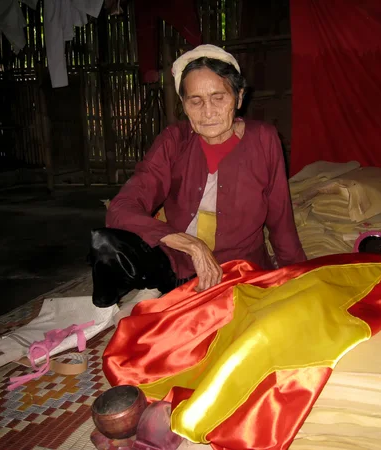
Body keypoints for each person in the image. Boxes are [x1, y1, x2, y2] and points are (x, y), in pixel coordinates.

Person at [89, 44, 306, 307]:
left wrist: (298, 278)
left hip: (238, 271)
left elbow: (281, 220)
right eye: (196, 101)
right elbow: (122, 208)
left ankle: (161, 297)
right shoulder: (174, 140)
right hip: (178, 262)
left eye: (219, 97)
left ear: (238, 98)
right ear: (184, 104)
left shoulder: (264, 139)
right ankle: (106, 315)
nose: (208, 111)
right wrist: (193, 246)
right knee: (106, 244)